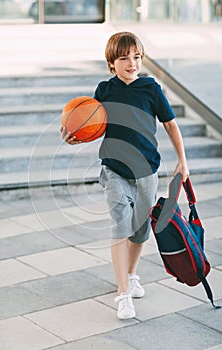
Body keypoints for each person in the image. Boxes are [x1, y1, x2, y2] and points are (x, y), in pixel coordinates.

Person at [61, 31, 189, 320]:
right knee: (120, 226)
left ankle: (131, 275)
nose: (132, 63)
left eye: (137, 57)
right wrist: (76, 137)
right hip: (114, 170)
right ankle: (123, 294)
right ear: (111, 64)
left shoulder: (151, 89)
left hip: (146, 171)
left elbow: (170, 125)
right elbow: (93, 125)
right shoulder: (105, 91)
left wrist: (183, 161)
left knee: (140, 230)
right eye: (124, 58)